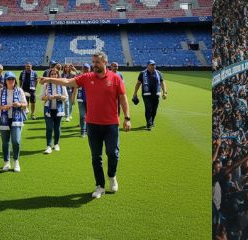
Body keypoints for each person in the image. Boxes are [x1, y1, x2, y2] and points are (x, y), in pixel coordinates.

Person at [40, 51, 131, 199]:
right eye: (93, 62)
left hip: (111, 124)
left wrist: (127, 118)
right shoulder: (87, 77)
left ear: (105, 63)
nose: (94, 65)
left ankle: (112, 176)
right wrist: (49, 79)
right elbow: (68, 82)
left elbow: (123, 98)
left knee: (113, 153)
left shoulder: (115, 79)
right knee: (96, 157)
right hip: (93, 125)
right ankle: (100, 186)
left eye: (97, 62)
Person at [0, 73, 27, 172]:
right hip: (4, 119)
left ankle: (16, 161)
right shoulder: (0, 91)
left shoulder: (19, 91)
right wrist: (3, 107)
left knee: (16, 141)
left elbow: (25, 104)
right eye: (9, 79)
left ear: (15, 80)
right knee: (5, 142)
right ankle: (6, 162)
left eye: (12, 79)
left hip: (16, 119)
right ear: (5, 81)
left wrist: (19, 104)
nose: (11, 81)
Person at [132, 60, 167, 131]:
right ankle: (148, 123)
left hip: (156, 94)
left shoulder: (158, 73)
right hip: (146, 95)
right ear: (147, 66)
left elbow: (162, 83)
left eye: (154, 65)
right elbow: (138, 84)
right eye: (151, 65)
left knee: (154, 109)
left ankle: (152, 121)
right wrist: (135, 93)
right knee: (148, 108)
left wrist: (165, 92)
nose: (153, 66)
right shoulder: (142, 73)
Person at [41, 66, 67, 153]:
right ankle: (48, 145)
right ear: (49, 75)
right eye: (52, 74)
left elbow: (65, 98)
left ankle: (56, 144)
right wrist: (48, 97)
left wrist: (58, 96)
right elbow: (41, 97)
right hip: (48, 108)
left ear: (57, 75)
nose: (53, 75)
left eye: (55, 74)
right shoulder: (46, 84)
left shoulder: (62, 84)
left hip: (59, 108)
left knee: (57, 127)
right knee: (49, 127)